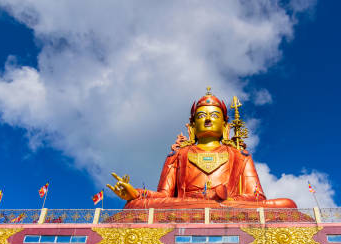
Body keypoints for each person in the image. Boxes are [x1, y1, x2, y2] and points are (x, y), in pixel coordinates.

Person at [108, 89, 296, 209]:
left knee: (286, 205)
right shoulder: (178, 155)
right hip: (185, 206)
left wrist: (226, 198)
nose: (207, 119)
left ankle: (216, 205)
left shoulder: (239, 155)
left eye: (214, 115)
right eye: (201, 116)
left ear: (225, 126)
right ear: (192, 126)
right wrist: (136, 193)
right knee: (135, 205)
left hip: (227, 206)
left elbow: (257, 196)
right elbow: (165, 195)